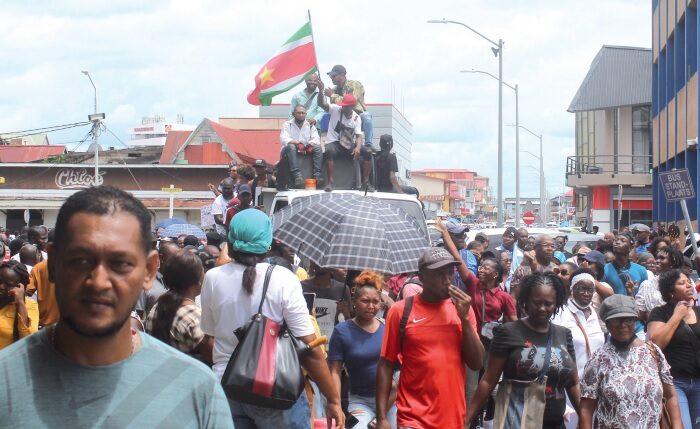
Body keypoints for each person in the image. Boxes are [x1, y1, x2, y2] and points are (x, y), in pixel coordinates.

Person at [0, 186, 233, 427]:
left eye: (120, 263)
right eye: (80, 261)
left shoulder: (197, 389)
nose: (98, 282)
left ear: (150, 270)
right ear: (53, 264)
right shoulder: (5, 381)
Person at [200, 209, 343, 428]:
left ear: (230, 241)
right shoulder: (282, 278)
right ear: (268, 243)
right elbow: (310, 347)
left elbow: (210, 340)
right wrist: (333, 400)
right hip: (274, 391)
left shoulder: (212, 278)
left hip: (227, 389)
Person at [375, 247, 483, 429]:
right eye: (439, 274)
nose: (447, 280)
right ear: (422, 277)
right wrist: (381, 418)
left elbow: (477, 363)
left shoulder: (464, 310)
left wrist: (464, 318)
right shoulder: (400, 311)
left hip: (452, 417)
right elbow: (386, 364)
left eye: (450, 273)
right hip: (413, 418)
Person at [468, 272, 580, 428]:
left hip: (556, 424)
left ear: (557, 304)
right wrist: (467, 418)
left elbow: (573, 383)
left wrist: (585, 416)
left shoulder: (564, 334)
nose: (542, 308)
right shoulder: (508, 332)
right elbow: (489, 379)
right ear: (525, 301)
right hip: (518, 422)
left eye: (548, 304)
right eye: (536, 302)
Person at [579, 295, 682, 429]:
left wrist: (677, 426)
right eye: (616, 320)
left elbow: (670, 395)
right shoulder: (598, 359)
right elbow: (586, 408)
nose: (623, 325)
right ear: (607, 323)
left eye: (628, 320)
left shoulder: (653, 352)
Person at [328, 272, 397, 429]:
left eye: (375, 301)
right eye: (365, 301)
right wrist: (336, 403)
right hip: (360, 401)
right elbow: (335, 372)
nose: (371, 306)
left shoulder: (387, 328)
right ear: (354, 302)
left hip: (390, 400)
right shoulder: (342, 331)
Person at [552, 269, 605, 429]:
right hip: (569, 383)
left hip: (594, 385)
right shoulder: (560, 313)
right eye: (581, 288)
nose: (586, 293)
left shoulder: (595, 313)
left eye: (590, 290)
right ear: (572, 289)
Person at [648, 269, 700, 429]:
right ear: (670, 291)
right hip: (675, 383)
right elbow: (656, 343)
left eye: (688, 282)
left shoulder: (698, 312)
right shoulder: (660, 313)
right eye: (681, 283)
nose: (688, 285)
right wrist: (677, 316)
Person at [145, 250, 213, 364]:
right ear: (199, 280)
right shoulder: (193, 315)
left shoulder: (158, 306)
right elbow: (212, 356)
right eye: (203, 271)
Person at [316, 79, 371, 192]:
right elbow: (321, 103)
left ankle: (366, 182)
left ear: (351, 107)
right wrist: (321, 90)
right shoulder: (335, 109)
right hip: (334, 143)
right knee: (329, 151)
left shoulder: (356, 118)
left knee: (368, 152)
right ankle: (330, 182)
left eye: (346, 107)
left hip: (347, 144)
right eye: (343, 106)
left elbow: (359, 136)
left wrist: (357, 148)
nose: (344, 108)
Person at [302, 262, 352, 342]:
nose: (322, 263)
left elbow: (350, 321)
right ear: (312, 263)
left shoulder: (342, 289)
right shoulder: (301, 286)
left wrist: (345, 313)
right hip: (309, 342)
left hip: (334, 344)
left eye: (326, 261)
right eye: (319, 260)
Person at [325, 64, 373, 147]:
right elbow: (332, 107)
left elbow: (351, 100)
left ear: (342, 74)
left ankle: (368, 144)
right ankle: (333, 142)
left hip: (356, 116)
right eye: (330, 76)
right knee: (328, 116)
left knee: (366, 116)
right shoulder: (334, 90)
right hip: (341, 117)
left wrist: (333, 96)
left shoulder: (355, 84)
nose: (331, 78)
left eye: (333, 76)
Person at [636, 246, 684, 321]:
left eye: (662, 258)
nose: (657, 261)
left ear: (672, 262)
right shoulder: (646, 285)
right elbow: (640, 314)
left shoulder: (683, 284)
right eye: (657, 258)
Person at [280, 105, 322, 188]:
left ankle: (317, 175)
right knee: (291, 146)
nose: (301, 115)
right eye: (299, 113)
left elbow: (316, 138)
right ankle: (297, 176)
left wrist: (310, 144)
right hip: (289, 150)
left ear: (306, 114)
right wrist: (297, 143)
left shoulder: (310, 125)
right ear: (293, 114)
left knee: (318, 148)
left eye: (303, 113)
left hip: (305, 148)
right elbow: (284, 139)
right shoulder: (287, 124)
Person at [0, 260, 38, 350]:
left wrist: (20, 303)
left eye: (8, 284)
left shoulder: (29, 305)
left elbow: (28, 341)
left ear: (20, 287)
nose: (1, 286)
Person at [135, 240, 178, 319]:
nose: (178, 262)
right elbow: (138, 317)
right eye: (174, 258)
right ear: (161, 257)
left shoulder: (178, 281)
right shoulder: (145, 282)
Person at [510, 234, 559, 300]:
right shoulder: (523, 270)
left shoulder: (556, 269)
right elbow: (514, 297)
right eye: (545, 245)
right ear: (536, 247)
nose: (550, 249)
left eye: (552, 246)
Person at [602, 232, 648, 296]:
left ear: (631, 247)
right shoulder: (604, 270)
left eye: (622, 241)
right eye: (616, 240)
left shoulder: (641, 270)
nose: (617, 242)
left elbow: (644, 295)